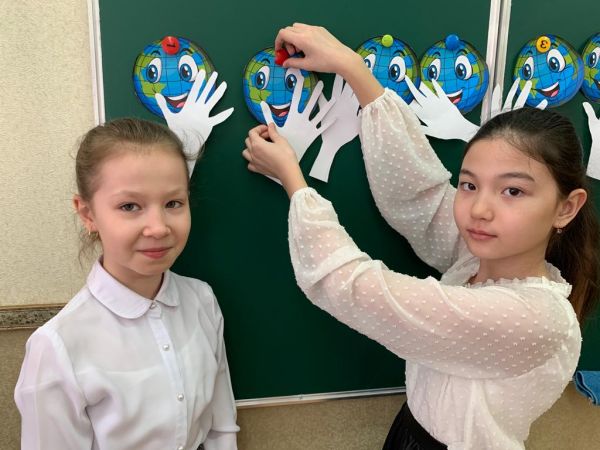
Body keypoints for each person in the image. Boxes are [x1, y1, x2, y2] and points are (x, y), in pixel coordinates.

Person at [242, 24, 600, 449]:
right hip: (411, 431)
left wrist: (293, 180)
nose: (479, 209)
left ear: (566, 207)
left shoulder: (533, 318)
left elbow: (356, 289)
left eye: (513, 191)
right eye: (469, 184)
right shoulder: (479, 258)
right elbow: (421, 195)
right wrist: (353, 69)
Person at [15, 118, 239, 450]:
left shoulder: (201, 301)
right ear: (88, 214)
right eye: (130, 206)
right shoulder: (57, 347)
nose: (158, 227)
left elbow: (220, 427)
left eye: (173, 203)